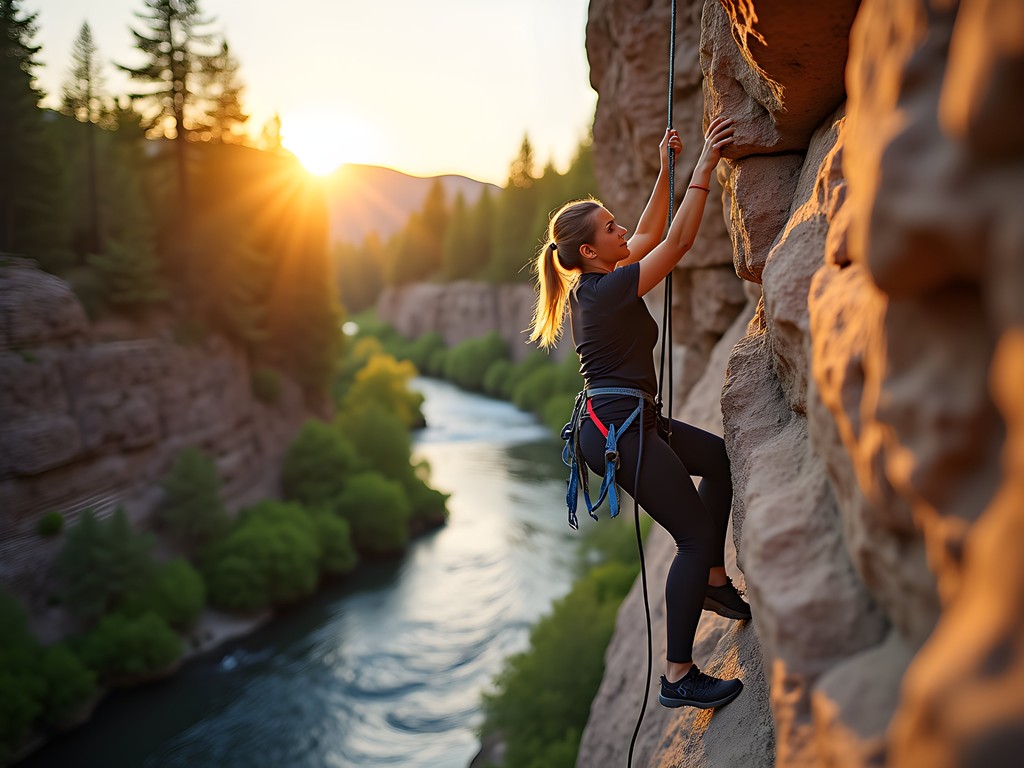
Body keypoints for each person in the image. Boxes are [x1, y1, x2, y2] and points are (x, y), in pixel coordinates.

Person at [528, 116, 750, 710]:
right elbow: (673, 245)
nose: (620, 229)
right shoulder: (601, 292)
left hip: (631, 422)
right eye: (609, 227)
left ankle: (714, 584)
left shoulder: (604, 280)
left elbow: (650, 233)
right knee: (694, 535)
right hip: (622, 432)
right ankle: (678, 676)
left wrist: (668, 170)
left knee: (721, 461)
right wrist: (704, 170)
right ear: (588, 251)